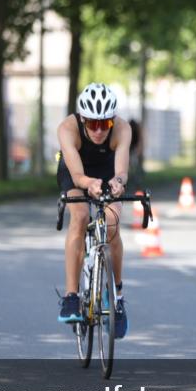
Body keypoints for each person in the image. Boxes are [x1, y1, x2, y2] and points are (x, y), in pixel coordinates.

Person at [56, 83, 132, 337]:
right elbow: (77, 175)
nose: (99, 130)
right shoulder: (68, 129)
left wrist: (118, 183)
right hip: (77, 172)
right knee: (80, 216)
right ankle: (71, 296)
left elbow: (121, 172)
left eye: (105, 124)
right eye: (92, 124)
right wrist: (89, 184)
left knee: (112, 223)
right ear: (82, 119)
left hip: (107, 170)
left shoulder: (122, 128)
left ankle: (118, 296)